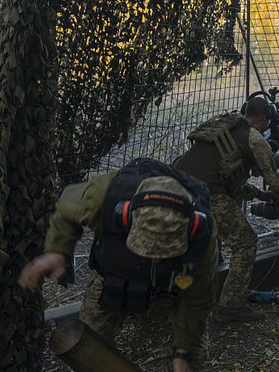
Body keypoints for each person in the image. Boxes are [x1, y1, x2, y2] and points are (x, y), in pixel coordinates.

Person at [19, 158, 218, 372]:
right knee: (86, 345)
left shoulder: (203, 239)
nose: (155, 259)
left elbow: (198, 299)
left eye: (164, 252)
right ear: (125, 217)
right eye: (147, 248)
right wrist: (58, 251)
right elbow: (67, 204)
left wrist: (183, 350)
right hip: (113, 276)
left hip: (175, 286)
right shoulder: (103, 196)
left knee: (191, 356)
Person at [172, 96, 279, 323]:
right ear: (265, 117)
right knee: (245, 242)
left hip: (175, 185)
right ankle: (231, 306)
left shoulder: (224, 127)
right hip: (206, 192)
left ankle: (224, 291)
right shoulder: (255, 138)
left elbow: (230, 179)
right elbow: (275, 180)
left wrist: (259, 194)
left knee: (210, 239)